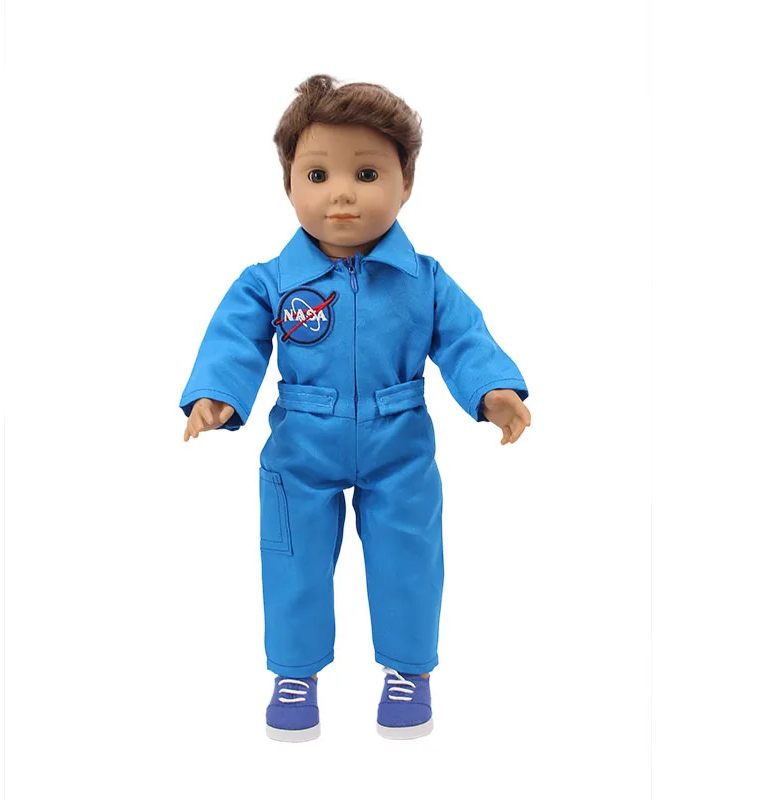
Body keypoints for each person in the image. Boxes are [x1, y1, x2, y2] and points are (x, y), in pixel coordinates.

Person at [180, 74, 531, 742]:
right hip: (302, 441)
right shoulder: (269, 282)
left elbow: (464, 338)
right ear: (289, 184)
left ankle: (408, 671)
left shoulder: (424, 279)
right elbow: (235, 339)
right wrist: (217, 394)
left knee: (408, 555)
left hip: (399, 439)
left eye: (367, 173)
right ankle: (295, 674)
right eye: (318, 175)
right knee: (293, 558)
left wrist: (492, 391)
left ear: (406, 183)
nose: (341, 193)